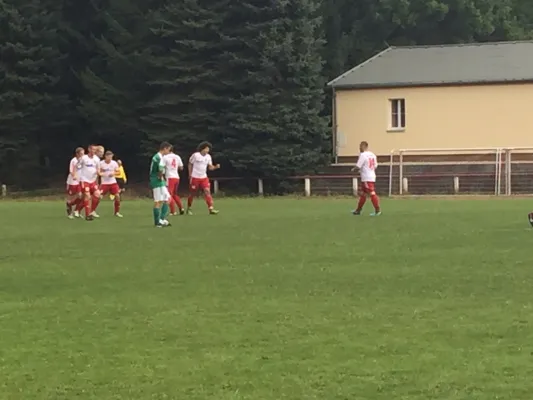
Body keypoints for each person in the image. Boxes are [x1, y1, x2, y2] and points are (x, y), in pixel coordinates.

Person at [187, 142, 220, 215]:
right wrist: (190, 174)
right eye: (206, 149)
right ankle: (189, 207)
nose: (207, 151)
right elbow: (190, 164)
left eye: (208, 149)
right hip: (195, 177)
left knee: (207, 191)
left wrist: (215, 167)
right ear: (202, 149)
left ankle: (211, 208)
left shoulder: (208, 157)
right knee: (192, 193)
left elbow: (210, 167)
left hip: (204, 177)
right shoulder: (195, 155)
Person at [351, 141, 381, 216]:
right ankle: (358, 210)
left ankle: (377, 210)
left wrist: (353, 169)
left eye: (361, 146)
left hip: (366, 178)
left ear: (364, 147)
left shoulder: (363, 155)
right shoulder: (373, 155)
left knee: (372, 193)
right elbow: (375, 166)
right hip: (371, 176)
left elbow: (358, 166)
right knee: (363, 194)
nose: (359, 148)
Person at [150, 142, 173, 227]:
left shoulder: (158, 157)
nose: (169, 152)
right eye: (168, 150)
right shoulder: (158, 157)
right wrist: (160, 177)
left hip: (159, 180)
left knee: (167, 198)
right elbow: (160, 170)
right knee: (158, 201)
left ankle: (161, 219)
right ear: (165, 148)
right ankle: (157, 222)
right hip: (157, 181)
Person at [78, 144, 102, 221]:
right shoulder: (84, 158)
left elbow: (98, 169)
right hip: (84, 180)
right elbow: (78, 166)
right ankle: (87, 215)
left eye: (95, 150)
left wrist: (99, 173)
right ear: (89, 149)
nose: (93, 151)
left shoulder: (97, 159)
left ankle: (91, 211)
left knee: (97, 195)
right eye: (92, 149)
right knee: (87, 196)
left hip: (93, 181)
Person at [99, 151, 123, 217]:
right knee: (98, 196)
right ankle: (92, 211)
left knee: (117, 196)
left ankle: (117, 212)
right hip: (104, 183)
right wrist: (101, 173)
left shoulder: (114, 163)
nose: (110, 158)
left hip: (113, 182)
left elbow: (118, 172)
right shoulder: (101, 163)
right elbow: (98, 172)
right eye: (109, 156)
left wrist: (113, 174)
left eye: (111, 156)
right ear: (105, 156)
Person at [163, 147, 185, 215]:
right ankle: (181, 208)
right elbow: (181, 167)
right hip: (176, 177)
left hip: (170, 177)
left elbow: (162, 167)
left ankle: (173, 211)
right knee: (175, 194)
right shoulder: (177, 156)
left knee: (169, 195)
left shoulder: (165, 157)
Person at [66, 147, 84, 219]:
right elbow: (71, 171)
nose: (82, 155)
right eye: (81, 154)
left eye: (83, 153)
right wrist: (74, 176)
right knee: (71, 197)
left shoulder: (83, 161)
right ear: (77, 154)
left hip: (79, 181)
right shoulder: (73, 161)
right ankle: (69, 212)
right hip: (72, 182)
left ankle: (76, 211)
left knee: (80, 196)